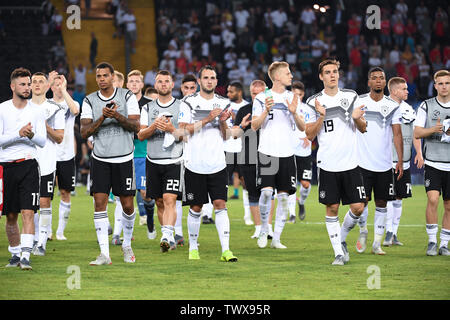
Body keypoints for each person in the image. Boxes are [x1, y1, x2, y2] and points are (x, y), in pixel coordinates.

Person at [305, 59, 367, 265]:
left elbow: (363, 127)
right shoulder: (313, 102)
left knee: (358, 207)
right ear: (321, 77)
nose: (332, 75)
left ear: (339, 74)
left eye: (335, 71)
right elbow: (309, 134)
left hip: (351, 162)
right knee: (332, 208)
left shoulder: (351, 96)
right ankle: (338, 253)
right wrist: (321, 117)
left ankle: (340, 240)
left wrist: (357, 118)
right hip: (328, 163)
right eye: (327, 72)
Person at [80, 62, 140, 265]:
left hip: (124, 157)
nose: (101, 79)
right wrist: (103, 117)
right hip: (100, 159)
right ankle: (104, 254)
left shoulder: (127, 96)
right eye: (98, 76)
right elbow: (84, 131)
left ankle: (127, 245)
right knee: (99, 203)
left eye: (105, 75)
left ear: (113, 77)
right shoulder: (89, 100)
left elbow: (135, 126)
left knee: (128, 205)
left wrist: (116, 115)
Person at [178, 65, 238, 262]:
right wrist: (207, 119)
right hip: (194, 163)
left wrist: (221, 121)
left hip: (217, 163)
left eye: (213, 77)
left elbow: (226, 136)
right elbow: (182, 130)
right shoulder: (188, 102)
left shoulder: (223, 102)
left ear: (216, 81)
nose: (209, 81)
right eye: (206, 77)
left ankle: (226, 250)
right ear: (199, 81)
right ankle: (193, 248)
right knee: (196, 207)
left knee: (220, 204)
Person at [251, 61, 306, 249]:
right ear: (277, 77)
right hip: (267, 151)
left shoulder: (293, 97)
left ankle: (277, 238)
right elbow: (254, 125)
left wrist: (294, 113)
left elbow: (302, 127)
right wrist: (266, 110)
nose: (291, 76)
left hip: (287, 153)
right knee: (266, 193)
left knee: (283, 197)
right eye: (287, 73)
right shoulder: (261, 97)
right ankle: (264, 229)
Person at [1, 68, 46, 270]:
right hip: (6, 167)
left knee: (28, 212)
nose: (27, 88)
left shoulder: (36, 110)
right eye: (23, 84)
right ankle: (15, 255)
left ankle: (26, 256)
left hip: (29, 164)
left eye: (29, 84)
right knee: (11, 215)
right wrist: (18, 134)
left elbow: (43, 141)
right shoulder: (2, 109)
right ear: (13, 86)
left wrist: (30, 136)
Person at [355, 67, 404, 256]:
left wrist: (399, 160)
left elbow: (397, 134)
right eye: (374, 78)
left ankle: (377, 243)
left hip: (384, 164)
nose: (377, 81)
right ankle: (363, 232)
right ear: (369, 82)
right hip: (362, 163)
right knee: (362, 203)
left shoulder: (393, 106)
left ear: (385, 82)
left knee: (382, 203)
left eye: (381, 78)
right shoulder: (359, 101)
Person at [138, 70, 184, 252]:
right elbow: (141, 135)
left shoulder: (182, 106)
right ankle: (170, 236)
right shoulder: (147, 108)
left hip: (174, 160)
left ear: (173, 84)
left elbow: (184, 135)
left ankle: (165, 235)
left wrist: (171, 128)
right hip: (153, 160)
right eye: (160, 81)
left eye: (167, 81)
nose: (163, 84)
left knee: (169, 198)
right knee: (159, 201)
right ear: (155, 85)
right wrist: (154, 126)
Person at [414, 69, 450, 256]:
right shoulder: (426, 106)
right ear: (435, 86)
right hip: (434, 162)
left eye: (447, 83)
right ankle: (431, 241)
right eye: (441, 83)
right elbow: (417, 133)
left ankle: (444, 243)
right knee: (433, 199)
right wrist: (434, 130)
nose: (444, 86)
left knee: (449, 205)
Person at [384, 77, 424, 246]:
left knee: (399, 198)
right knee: (387, 197)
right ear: (394, 91)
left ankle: (393, 233)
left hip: (405, 162)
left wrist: (419, 153)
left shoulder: (408, 109)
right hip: (387, 161)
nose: (408, 91)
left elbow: (415, 133)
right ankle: (386, 232)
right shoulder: (383, 107)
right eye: (404, 89)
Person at [30, 71, 65, 256]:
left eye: (40, 81)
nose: (36, 84)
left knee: (44, 201)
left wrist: (44, 125)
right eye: (33, 81)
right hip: (26, 161)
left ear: (46, 86)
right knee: (28, 204)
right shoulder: (23, 107)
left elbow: (60, 137)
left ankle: (42, 240)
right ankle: (33, 238)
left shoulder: (54, 109)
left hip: (47, 163)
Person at [119, 70, 156, 244]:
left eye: (137, 81)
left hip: (143, 152)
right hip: (124, 152)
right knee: (126, 195)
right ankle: (125, 233)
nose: (134, 84)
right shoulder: (122, 103)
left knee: (145, 193)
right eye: (131, 81)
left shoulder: (149, 104)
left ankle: (149, 218)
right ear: (127, 85)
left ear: (142, 85)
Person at [232, 79, 267, 239]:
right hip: (248, 156)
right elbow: (233, 135)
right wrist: (241, 126)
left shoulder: (270, 111)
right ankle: (258, 227)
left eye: (260, 93)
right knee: (252, 193)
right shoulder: (243, 110)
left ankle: (269, 227)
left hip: (268, 156)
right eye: (254, 93)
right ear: (250, 93)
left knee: (269, 192)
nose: (257, 96)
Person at [53, 74, 80, 241]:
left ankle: (60, 231)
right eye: (55, 84)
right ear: (50, 86)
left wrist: (64, 90)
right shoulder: (45, 104)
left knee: (65, 192)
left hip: (67, 155)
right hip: (48, 155)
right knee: (44, 197)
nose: (58, 87)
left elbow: (75, 111)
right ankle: (46, 231)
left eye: (61, 84)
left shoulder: (72, 103)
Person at [289, 81, 312, 223]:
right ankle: (291, 214)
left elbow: (313, 127)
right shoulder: (287, 109)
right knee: (291, 184)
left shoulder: (308, 110)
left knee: (305, 184)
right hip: (289, 151)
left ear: (303, 95)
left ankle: (301, 202)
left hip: (304, 152)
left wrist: (308, 136)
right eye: (295, 94)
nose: (297, 97)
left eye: (300, 94)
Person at [225, 82, 249, 217]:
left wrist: (237, 121)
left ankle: (247, 215)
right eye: (228, 91)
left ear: (239, 92)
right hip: (226, 148)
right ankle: (208, 214)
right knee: (221, 181)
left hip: (242, 150)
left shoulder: (247, 107)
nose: (228, 94)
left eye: (231, 92)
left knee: (245, 181)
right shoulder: (224, 105)